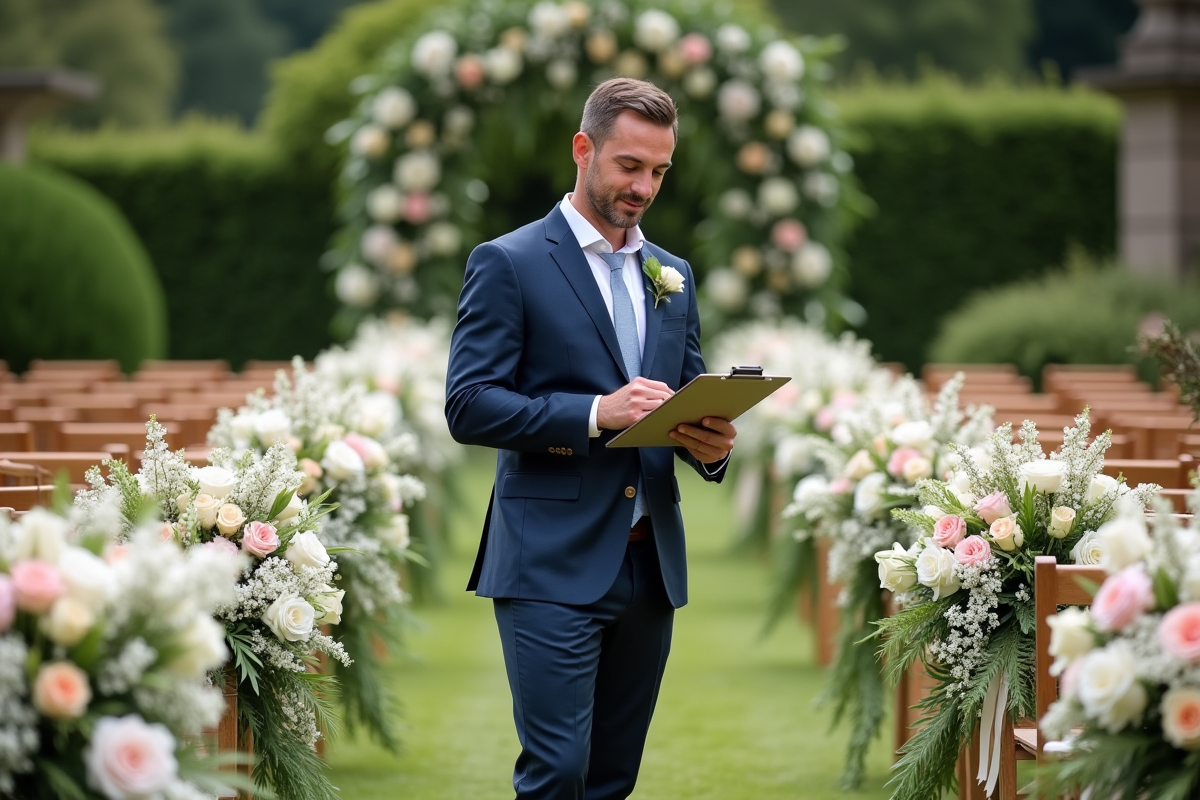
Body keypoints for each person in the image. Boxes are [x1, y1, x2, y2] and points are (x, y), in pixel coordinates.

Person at [445, 77, 737, 800]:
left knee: (612, 778)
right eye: (629, 166)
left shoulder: (675, 274)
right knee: (557, 772)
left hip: (650, 568)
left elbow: (686, 398)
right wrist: (593, 413)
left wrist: (711, 444)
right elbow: (468, 405)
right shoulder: (507, 262)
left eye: (659, 172)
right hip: (548, 560)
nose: (644, 187)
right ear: (584, 149)